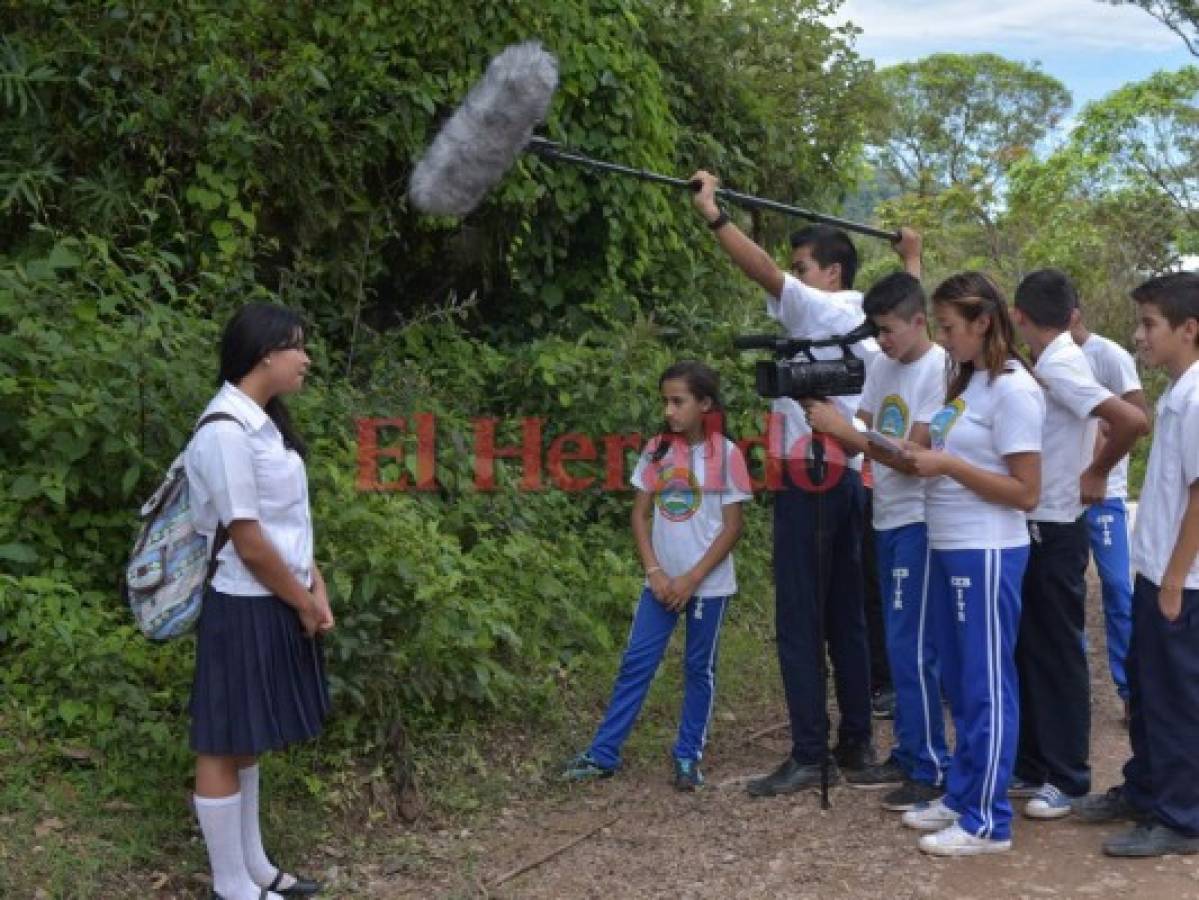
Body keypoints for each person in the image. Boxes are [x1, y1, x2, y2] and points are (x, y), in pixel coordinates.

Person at [689, 171, 881, 795]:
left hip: (810, 483)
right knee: (846, 617)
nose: (795, 275)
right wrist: (912, 254)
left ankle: (808, 753)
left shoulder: (820, 308)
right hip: (848, 482)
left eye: (806, 265)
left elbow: (764, 272)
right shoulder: (867, 322)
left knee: (800, 620)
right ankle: (855, 743)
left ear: (832, 272)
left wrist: (713, 212)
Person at [185, 303, 332, 900]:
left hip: (274, 595)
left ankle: (255, 867)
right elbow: (247, 539)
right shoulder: (224, 431)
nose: (306, 359)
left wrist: (313, 585)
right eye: (297, 347)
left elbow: (284, 521)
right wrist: (301, 600)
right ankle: (232, 887)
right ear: (265, 353)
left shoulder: (263, 424)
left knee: (246, 737)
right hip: (244, 601)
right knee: (222, 740)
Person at [901, 272, 1043, 856]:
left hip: (987, 550)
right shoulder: (967, 384)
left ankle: (988, 819)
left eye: (949, 327)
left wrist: (948, 467)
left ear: (983, 322)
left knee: (985, 684)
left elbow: (1026, 492)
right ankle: (963, 794)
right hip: (948, 543)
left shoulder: (1014, 389)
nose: (943, 337)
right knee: (958, 680)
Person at [563, 361, 750, 790]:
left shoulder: (728, 454)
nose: (669, 410)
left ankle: (687, 756)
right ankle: (604, 753)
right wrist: (656, 572)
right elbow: (639, 513)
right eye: (665, 401)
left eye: (678, 401)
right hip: (660, 584)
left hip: (707, 586)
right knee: (636, 663)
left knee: (699, 668)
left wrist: (692, 579)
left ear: (705, 404)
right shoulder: (657, 450)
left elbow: (732, 526)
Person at [805, 262, 950, 813]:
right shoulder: (883, 367)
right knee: (896, 642)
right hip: (884, 515)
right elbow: (859, 438)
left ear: (918, 322)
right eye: (875, 330)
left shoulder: (939, 370)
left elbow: (912, 458)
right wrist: (826, 424)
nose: (880, 340)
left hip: (919, 518)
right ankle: (910, 749)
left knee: (915, 647)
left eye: (888, 329)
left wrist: (848, 432)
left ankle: (930, 764)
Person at [1009, 270, 1148, 821]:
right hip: (1036, 520)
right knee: (1032, 646)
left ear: (1020, 318)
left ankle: (1067, 775)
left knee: (1057, 650)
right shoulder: (1051, 361)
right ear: (1071, 315)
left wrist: (1097, 471)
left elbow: (1132, 419)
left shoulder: (1063, 363)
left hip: (1057, 523)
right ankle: (1036, 764)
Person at [1074, 272, 1199, 858]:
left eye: (1150, 324)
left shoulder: (1198, 396)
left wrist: (1174, 580)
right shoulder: (1179, 392)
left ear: (1189, 329)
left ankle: (1180, 818)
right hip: (1158, 572)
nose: (1139, 336)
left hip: (1185, 581)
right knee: (1148, 690)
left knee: (1176, 700)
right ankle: (1147, 789)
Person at [1069, 304, 1149, 723]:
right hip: (1064, 494)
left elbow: (1138, 418)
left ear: (1076, 314)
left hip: (1108, 492)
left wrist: (1102, 460)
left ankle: (1130, 690)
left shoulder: (1110, 356)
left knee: (1118, 588)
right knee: (1068, 592)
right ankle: (1073, 688)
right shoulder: (1048, 359)